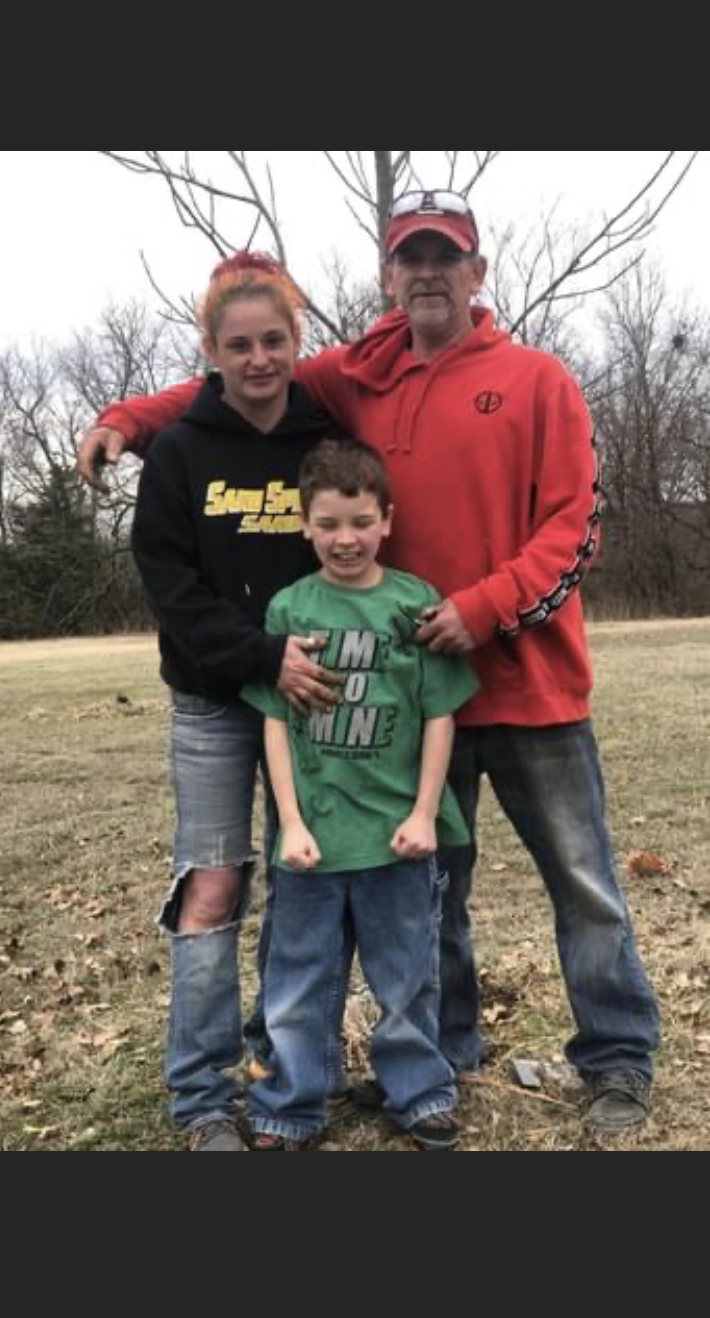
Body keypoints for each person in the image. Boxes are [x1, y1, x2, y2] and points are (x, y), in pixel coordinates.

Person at [82, 191, 660, 1133]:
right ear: (389, 278)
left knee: (583, 881)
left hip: (528, 682)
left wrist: (482, 609)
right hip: (408, 697)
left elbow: (575, 525)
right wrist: (126, 419)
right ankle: (442, 1052)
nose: (428, 272)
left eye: (447, 257)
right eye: (409, 258)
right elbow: (233, 382)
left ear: (477, 272)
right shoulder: (363, 374)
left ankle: (618, 1058)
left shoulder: (536, 378)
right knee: (428, 891)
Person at [131, 251, 348, 1152]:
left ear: (297, 342)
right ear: (210, 350)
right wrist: (260, 655)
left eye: (275, 340)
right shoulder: (180, 450)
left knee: (308, 885)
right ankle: (203, 1096)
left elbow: (351, 544)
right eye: (239, 344)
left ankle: (286, 1073)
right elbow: (169, 586)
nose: (259, 359)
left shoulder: (325, 441)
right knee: (213, 890)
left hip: (311, 701)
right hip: (219, 704)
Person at [241, 438, 477, 1150]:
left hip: (396, 839)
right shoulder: (289, 608)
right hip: (313, 839)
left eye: (360, 521)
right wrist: (289, 822)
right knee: (298, 981)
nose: (345, 539)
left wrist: (423, 813)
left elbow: (441, 714)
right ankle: (291, 1104)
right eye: (329, 523)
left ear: (387, 520)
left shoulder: (414, 604)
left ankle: (419, 1093)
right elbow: (275, 723)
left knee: (407, 979)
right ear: (305, 525)